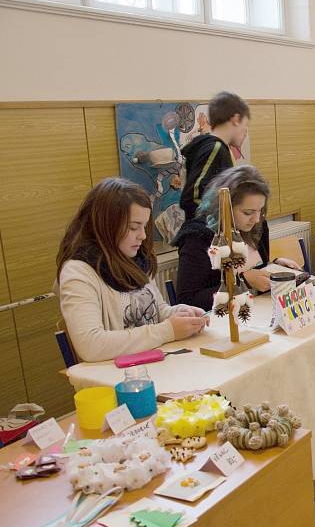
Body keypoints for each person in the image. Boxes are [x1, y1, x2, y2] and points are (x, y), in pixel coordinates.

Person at [56, 178, 208, 363]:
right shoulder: (79, 273)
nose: (143, 236)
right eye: (133, 227)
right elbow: (91, 345)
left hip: (153, 364)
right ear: (106, 225)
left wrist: (180, 315)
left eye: (144, 226)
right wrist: (168, 330)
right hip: (116, 379)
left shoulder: (135, 259)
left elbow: (156, 311)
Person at [173, 165, 300, 310]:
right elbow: (189, 301)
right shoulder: (198, 238)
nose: (256, 219)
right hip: (222, 321)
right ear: (225, 207)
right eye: (247, 212)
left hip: (259, 309)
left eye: (260, 211)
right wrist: (242, 282)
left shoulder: (258, 226)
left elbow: (255, 267)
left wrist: (274, 266)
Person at [180, 91, 250, 220]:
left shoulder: (216, 147)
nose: (246, 132)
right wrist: (220, 219)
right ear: (235, 119)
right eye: (245, 125)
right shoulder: (215, 149)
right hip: (205, 232)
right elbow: (192, 197)